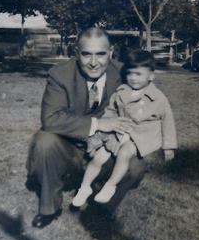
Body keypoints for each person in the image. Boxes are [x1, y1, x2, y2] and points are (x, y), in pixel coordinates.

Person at [26, 27, 146, 229]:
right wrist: (98, 125)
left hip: (106, 149)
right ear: (76, 52)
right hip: (70, 149)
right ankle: (50, 208)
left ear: (111, 52)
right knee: (44, 141)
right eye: (86, 54)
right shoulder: (59, 74)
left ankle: (103, 208)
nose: (93, 62)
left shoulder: (125, 74)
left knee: (136, 165)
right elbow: (50, 118)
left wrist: (113, 137)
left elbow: (143, 109)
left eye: (100, 54)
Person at [71, 49, 177, 207]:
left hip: (142, 135)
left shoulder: (158, 98)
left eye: (139, 74)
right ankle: (84, 188)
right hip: (120, 131)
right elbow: (110, 112)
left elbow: (168, 121)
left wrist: (169, 147)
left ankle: (110, 185)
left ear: (151, 76)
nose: (133, 78)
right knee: (99, 157)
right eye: (130, 73)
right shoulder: (121, 92)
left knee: (125, 153)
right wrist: (105, 130)